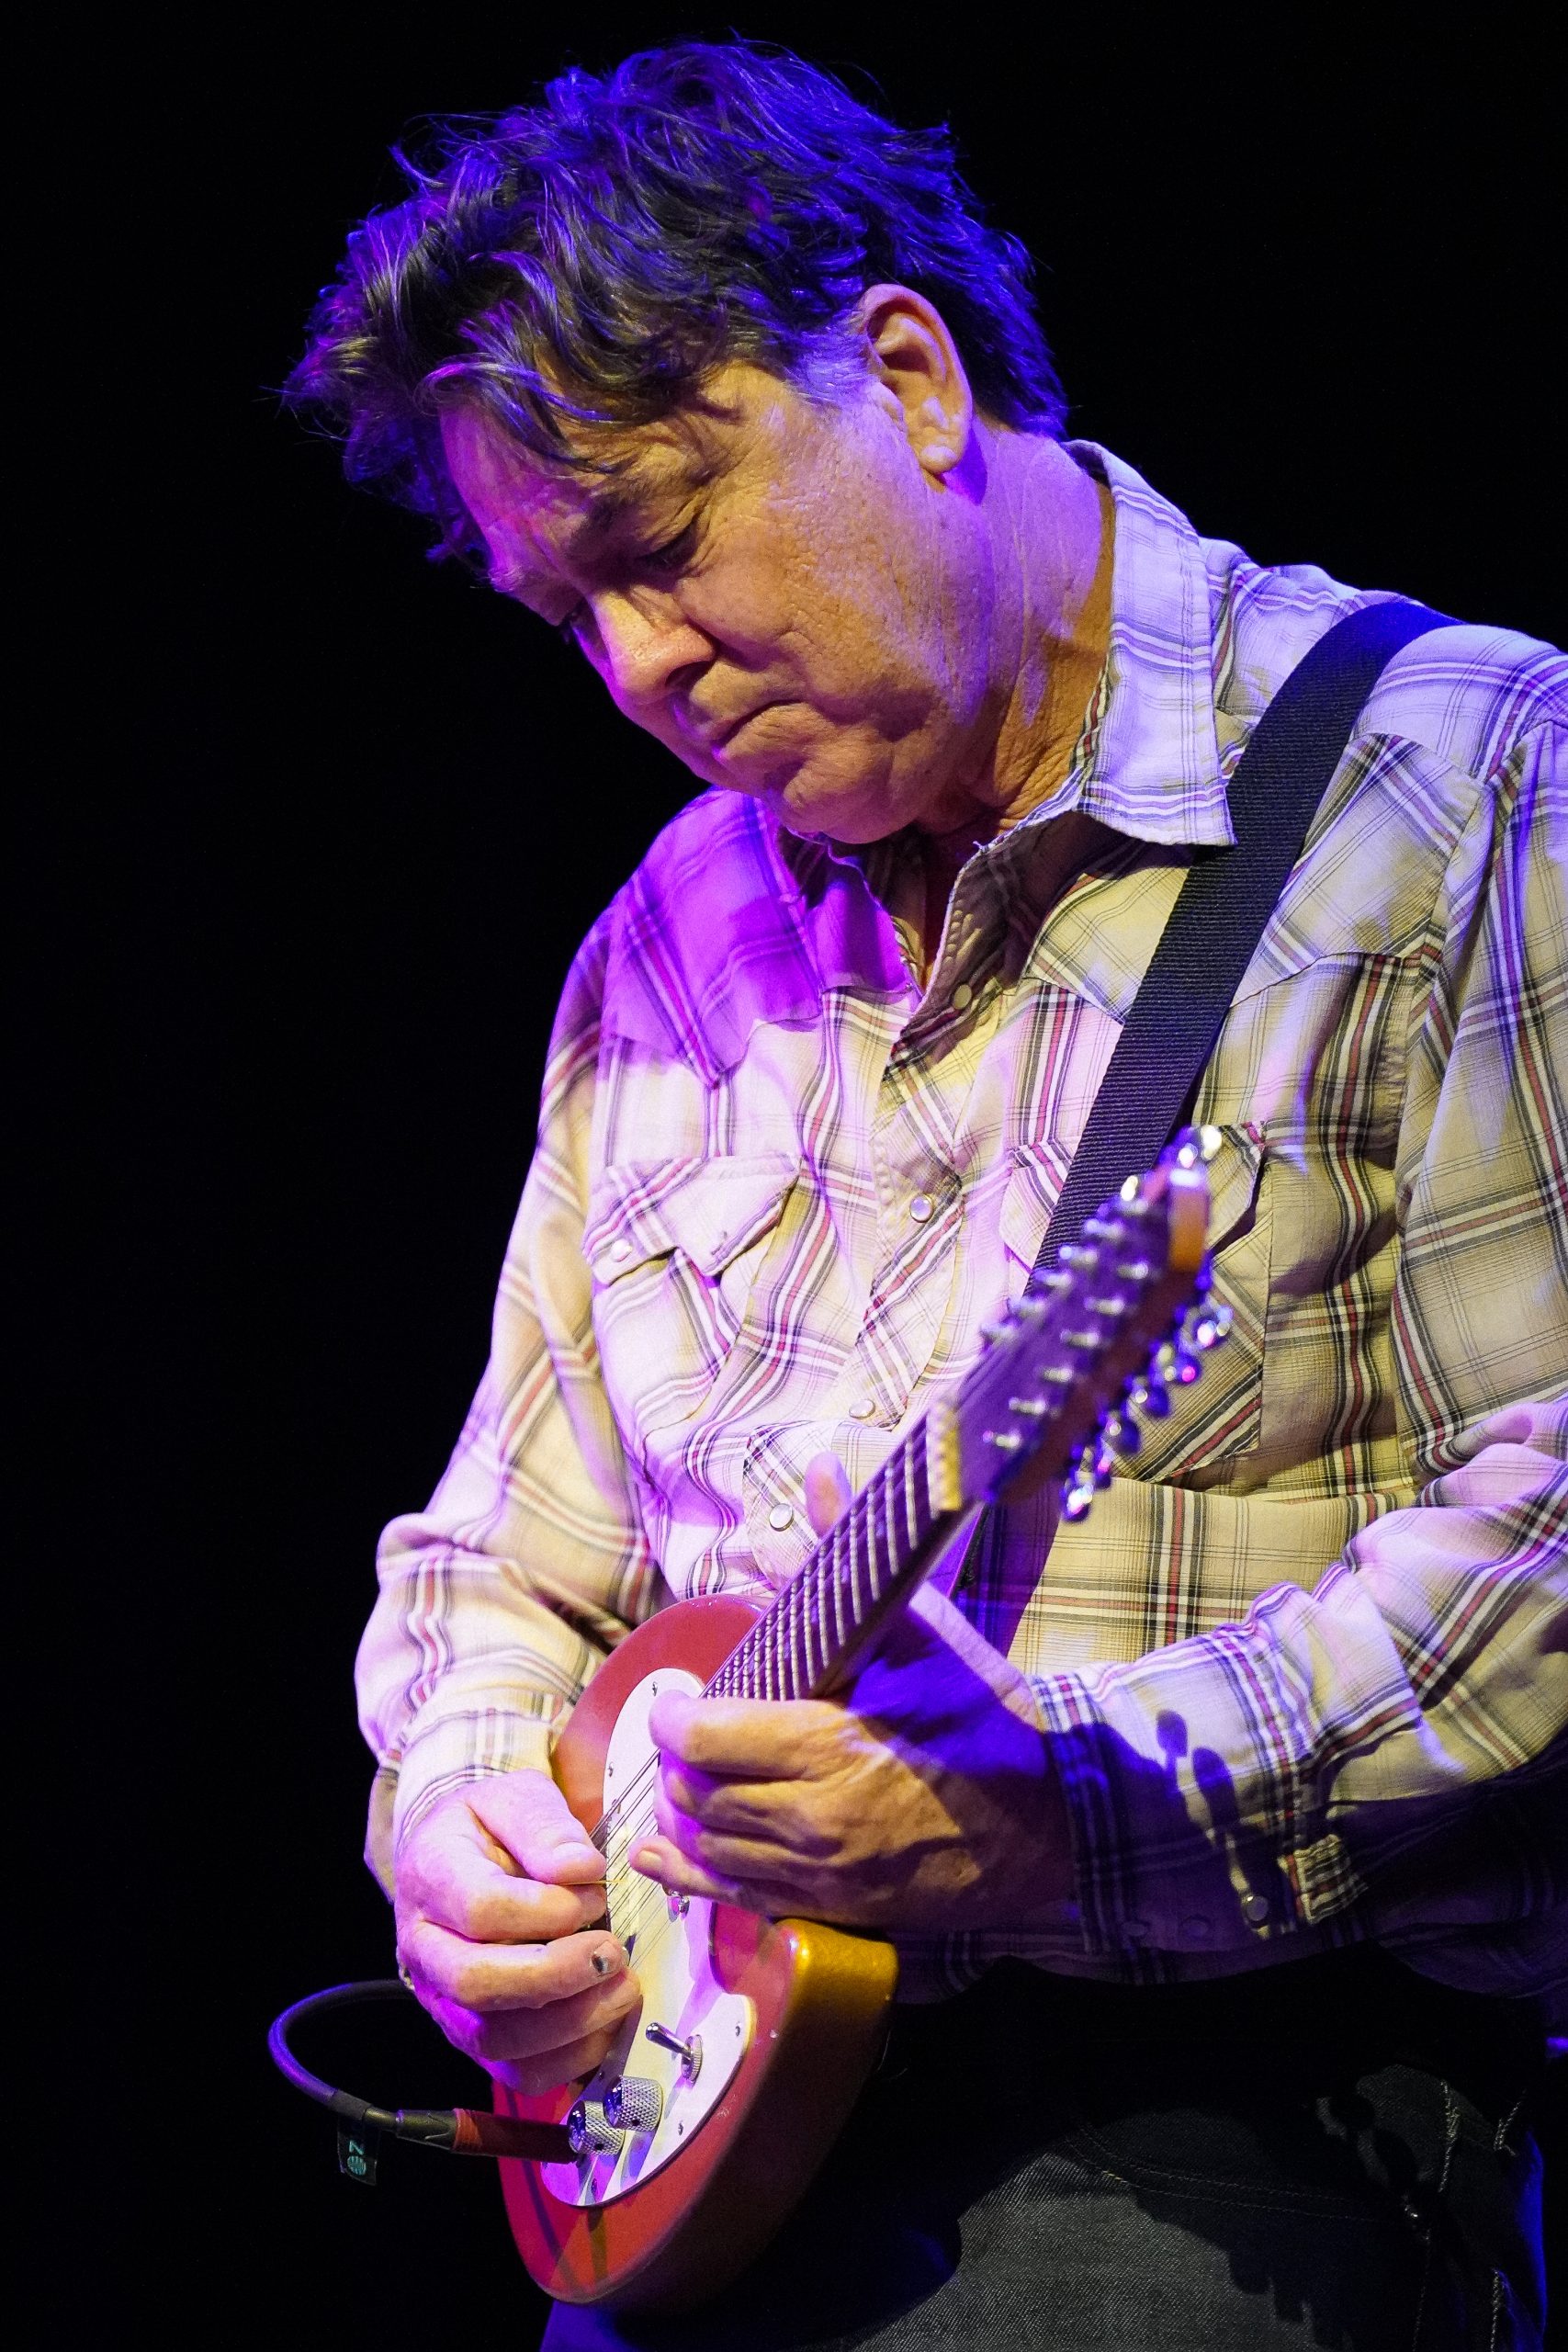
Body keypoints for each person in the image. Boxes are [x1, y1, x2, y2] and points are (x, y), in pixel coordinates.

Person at [286, 40, 1566, 2350]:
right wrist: (468, 1822)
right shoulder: (674, 932)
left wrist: (1060, 1816)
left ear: (905, 374)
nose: (636, 669)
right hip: (691, 2139)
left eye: (660, 543)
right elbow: (500, 1559)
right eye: (566, 614)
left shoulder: (1468, 782)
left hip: (1219, 2132)